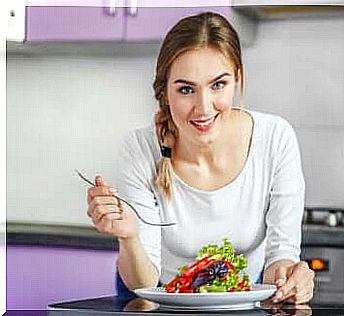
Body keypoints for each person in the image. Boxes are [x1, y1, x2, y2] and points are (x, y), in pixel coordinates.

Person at [86, 11, 314, 306]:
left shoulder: (275, 138)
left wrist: (289, 278)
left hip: (243, 303)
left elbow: (280, 254)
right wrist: (129, 236)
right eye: (186, 89)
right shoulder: (140, 149)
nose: (203, 108)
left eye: (218, 85)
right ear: (165, 92)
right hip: (161, 304)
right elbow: (143, 282)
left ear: (237, 79)